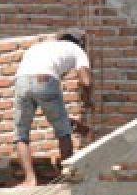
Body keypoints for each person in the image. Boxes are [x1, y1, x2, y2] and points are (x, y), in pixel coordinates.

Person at [12, 32, 93, 187]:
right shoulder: (77, 49)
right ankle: (67, 178)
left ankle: (29, 179)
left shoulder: (40, 47)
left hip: (21, 81)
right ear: (78, 43)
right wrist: (87, 100)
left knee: (21, 134)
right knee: (63, 132)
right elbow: (86, 81)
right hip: (45, 78)